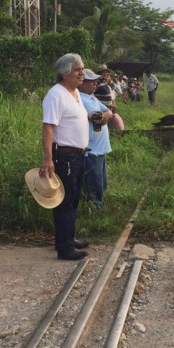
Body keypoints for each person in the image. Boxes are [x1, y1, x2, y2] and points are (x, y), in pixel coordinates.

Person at [40, 53, 90, 260]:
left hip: (78, 155)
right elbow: (48, 128)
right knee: (65, 201)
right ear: (65, 73)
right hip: (65, 155)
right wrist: (48, 158)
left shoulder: (75, 94)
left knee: (74, 198)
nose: (82, 73)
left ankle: (68, 238)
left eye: (82, 68)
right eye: (77, 69)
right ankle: (64, 248)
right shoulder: (56, 94)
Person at [78, 69, 113, 209]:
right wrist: (106, 115)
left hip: (99, 149)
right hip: (92, 151)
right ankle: (92, 212)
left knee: (101, 183)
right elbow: (99, 120)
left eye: (95, 80)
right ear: (81, 83)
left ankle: (97, 209)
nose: (95, 83)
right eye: (91, 81)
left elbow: (110, 111)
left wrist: (107, 114)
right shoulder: (82, 99)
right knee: (94, 185)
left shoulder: (91, 97)